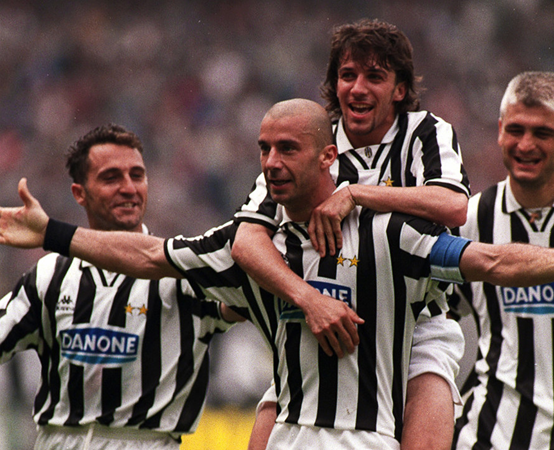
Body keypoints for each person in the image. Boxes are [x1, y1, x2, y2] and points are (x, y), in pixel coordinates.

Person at [3, 99, 554, 449]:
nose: (271, 162)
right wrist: (51, 232)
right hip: (288, 437)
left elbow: (491, 261)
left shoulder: (388, 235)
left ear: (328, 157)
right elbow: (152, 256)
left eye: (288, 149)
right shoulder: (248, 249)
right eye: (264, 149)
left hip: (365, 439)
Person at [231, 18, 471, 449]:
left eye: (374, 76)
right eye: (347, 75)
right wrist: (308, 299)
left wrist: (356, 194)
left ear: (399, 89)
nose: (358, 88)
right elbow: (247, 240)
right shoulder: (307, 140)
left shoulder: (426, 132)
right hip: (325, 315)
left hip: (419, 327)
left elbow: (452, 204)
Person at [0, 124, 243, 450]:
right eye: (111, 178)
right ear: (79, 193)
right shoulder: (49, 275)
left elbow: (247, 300)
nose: (129, 188)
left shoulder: (183, 273)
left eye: (137, 176)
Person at [449, 72, 554, 449]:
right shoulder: (471, 220)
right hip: (491, 436)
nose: (526, 144)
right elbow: (431, 321)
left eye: (542, 133)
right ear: (499, 131)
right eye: (515, 130)